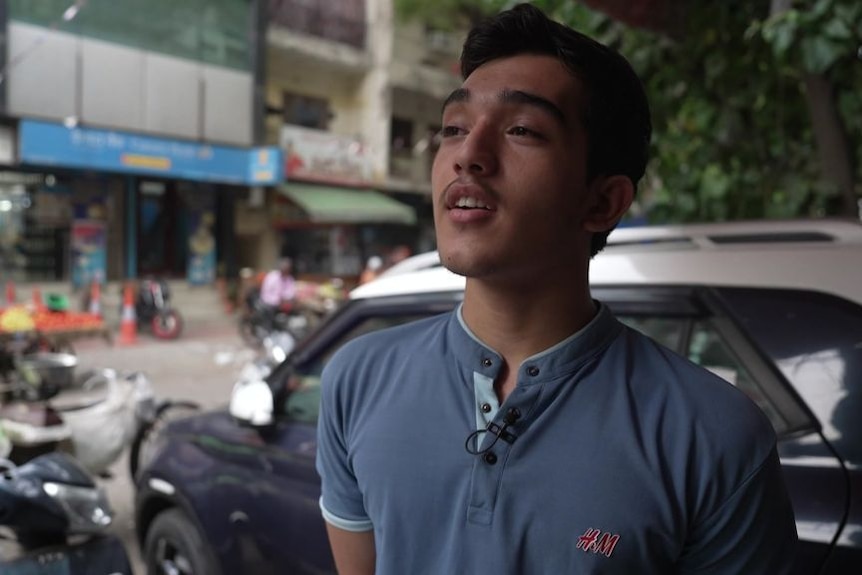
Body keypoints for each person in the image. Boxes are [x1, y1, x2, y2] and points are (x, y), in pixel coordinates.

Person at [316, 4, 797, 574]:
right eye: (453, 128)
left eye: (522, 129)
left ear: (602, 201)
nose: (468, 155)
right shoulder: (356, 380)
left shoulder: (714, 437)